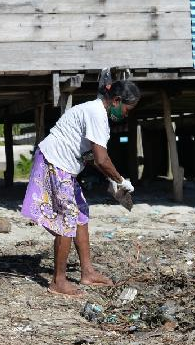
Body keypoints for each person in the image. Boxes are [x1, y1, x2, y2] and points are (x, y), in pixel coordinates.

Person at [20, 79, 141, 297]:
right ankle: (58, 281)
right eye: (126, 109)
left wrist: (111, 180)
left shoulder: (97, 112)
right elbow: (102, 159)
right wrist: (121, 180)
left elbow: (93, 158)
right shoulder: (97, 114)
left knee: (81, 214)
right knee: (66, 219)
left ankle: (87, 272)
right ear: (116, 100)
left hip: (66, 166)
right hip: (55, 163)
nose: (125, 114)